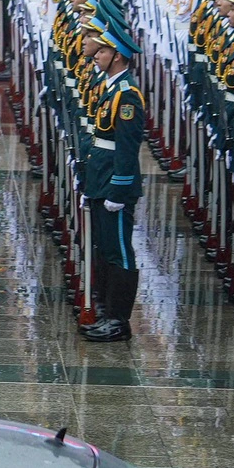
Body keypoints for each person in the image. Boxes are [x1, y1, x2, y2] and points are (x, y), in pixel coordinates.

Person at [79, 20, 146, 344]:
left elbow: (127, 148)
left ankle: (119, 319)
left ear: (117, 56)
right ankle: (106, 311)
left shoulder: (127, 96)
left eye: (103, 50)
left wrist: (119, 188)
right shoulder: (110, 89)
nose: (97, 54)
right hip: (100, 178)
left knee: (119, 250)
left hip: (114, 183)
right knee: (105, 248)